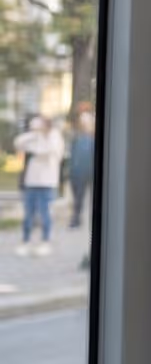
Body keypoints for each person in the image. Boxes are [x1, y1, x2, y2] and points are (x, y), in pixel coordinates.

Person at [14, 116, 65, 257]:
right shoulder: (34, 137)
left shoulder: (55, 136)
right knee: (28, 214)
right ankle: (26, 241)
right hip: (31, 182)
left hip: (47, 183)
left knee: (45, 213)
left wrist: (39, 141)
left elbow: (50, 151)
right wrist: (33, 134)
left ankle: (45, 242)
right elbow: (18, 143)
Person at [67, 110, 95, 229]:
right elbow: (72, 155)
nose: (84, 123)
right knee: (76, 197)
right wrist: (70, 170)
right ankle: (77, 218)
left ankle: (76, 219)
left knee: (81, 197)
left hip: (87, 172)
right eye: (82, 121)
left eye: (86, 121)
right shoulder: (76, 137)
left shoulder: (93, 138)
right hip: (75, 172)